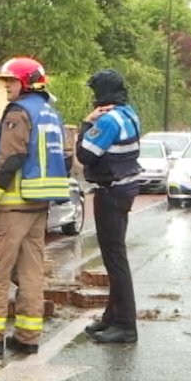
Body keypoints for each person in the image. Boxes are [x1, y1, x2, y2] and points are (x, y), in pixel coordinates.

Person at [0, 57, 71, 355]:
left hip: (11, 205)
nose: (6, 87)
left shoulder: (19, 113)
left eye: (11, 82)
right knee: (31, 272)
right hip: (38, 207)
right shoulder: (50, 114)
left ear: (27, 83)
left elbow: (10, 158)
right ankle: (27, 338)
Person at [77, 68, 141, 344]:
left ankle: (125, 326)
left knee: (115, 260)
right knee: (116, 257)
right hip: (125, 188)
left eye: (95, 91)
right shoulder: (130, 113)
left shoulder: (109, 120)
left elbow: (85, 154)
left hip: (111, 191)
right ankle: (111, 318)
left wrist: (85, 124)